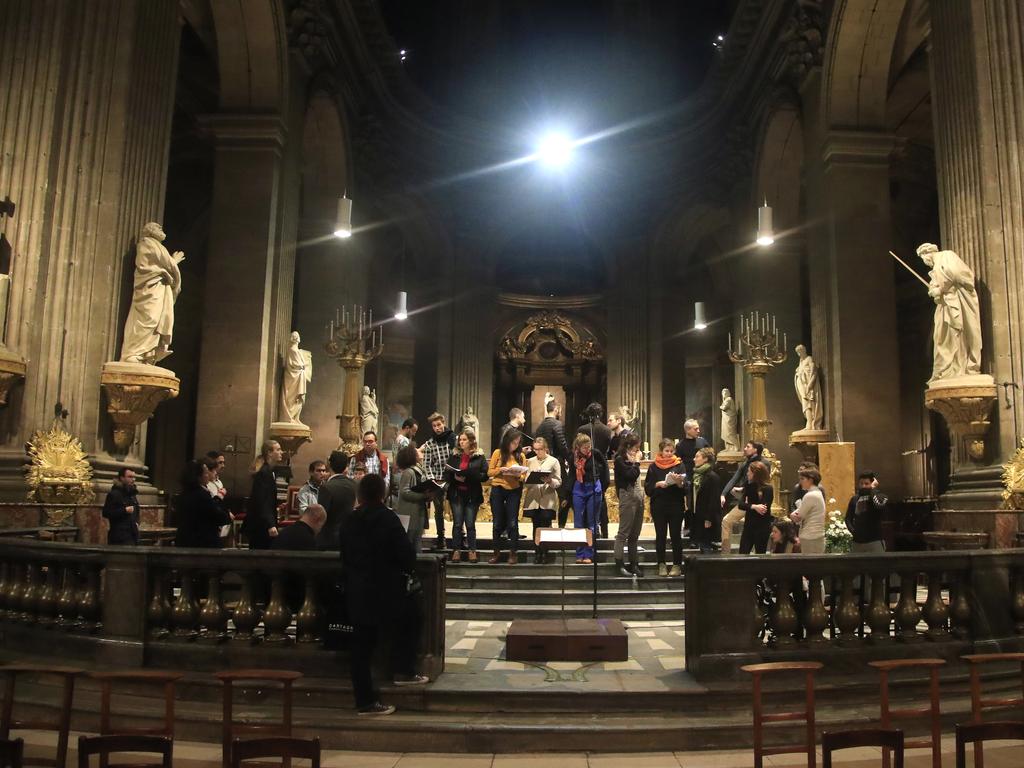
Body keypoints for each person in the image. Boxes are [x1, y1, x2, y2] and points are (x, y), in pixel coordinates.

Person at [340, 474, 428, 716]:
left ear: (360, 495)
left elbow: (344, 554)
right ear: (383, 494)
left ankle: (364, 698)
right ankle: (404, 670)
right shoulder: (387, 518)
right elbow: (407, 556)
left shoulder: (350, 519)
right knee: (411, 620)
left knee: (361, 648)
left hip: (357, 589)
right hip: (386, 589)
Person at [443, 428, 488, 563]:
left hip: (472, 495)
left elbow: (485, 475)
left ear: (471, 441)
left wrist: (469, 477)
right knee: (457, 523)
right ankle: (456, 550)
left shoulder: (479, 456)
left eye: (464, 440)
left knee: (470, 523)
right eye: (460, 440)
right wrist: (454, 477)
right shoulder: (455, 455)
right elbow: (447, 474)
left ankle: (472, 550)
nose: (461, 442)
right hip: (457, 493)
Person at [720, 441, 772, 553]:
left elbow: (762, 484)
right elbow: (735, 478)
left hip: (758, 513)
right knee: (726, 521)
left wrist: (745, 492)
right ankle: (725, 554)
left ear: (755, 449)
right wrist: (724, 494)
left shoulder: (764, 464)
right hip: (748, 502)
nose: (744, 448)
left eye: (748, 447)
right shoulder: (745, 463)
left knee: (759, 549)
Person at [645, 439, 686, 576]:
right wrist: (657, 484)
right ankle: (661, 564)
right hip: (659, 505)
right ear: (661, 451)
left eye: (671, 451)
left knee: (675, 536)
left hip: (676, 504)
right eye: (666, 451)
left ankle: (677, 565)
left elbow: (686, 488)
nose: (669, 454)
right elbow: (648, 489)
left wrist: (680, 483)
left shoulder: (679, 465)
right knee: (661, 536)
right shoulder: (653, 467)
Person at [566, 432, 609, 565]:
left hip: (593, 488)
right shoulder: (573, 456)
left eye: (589, 446)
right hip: (579, 488)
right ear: (578, 447)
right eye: (584, 447)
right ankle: (580, 554)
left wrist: (602, 487)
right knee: (579, 522)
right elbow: (572, 475)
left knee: (592, 523)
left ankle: (589, 554)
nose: (587, 449)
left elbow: (605, 470)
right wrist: (567, 493)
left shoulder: (596, 454)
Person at [487, 428, 527, 564]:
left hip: (513, 490)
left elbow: (524, 476)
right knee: (497, 522)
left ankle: (513, 553)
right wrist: (500, 470)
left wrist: (518, 475)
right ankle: (496, 553)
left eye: (517, 443)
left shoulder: (520, 456)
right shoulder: (498, 453)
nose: (515, 446)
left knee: (512, 522)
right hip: (498, 488)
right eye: (513, 443)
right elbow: (489, 472)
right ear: (507, 441)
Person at [522, 436, 562, 564]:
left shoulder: (553, 461)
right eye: (535, 449)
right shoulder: (530, 461)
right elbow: (526, 482)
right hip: (533, 499)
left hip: (547, 499)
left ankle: (545, 552)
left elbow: (559, 482)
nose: (537, 452)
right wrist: (528, 479)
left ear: (545, 449)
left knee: (545, 526)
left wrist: (550, 480)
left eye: (539, 449)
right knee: (536, 526)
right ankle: (537, 552)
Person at [175, 459, 233, 548]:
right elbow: (218, 516)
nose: (208, 476)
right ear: (198, 476)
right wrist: (226, 513)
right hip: (202, 543)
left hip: (185, 541)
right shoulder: (201, 494)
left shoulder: (184, 493)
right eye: (206, 473)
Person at [576, 403, 612, 538]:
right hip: (602, 466)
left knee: (591, 499)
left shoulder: (582, 428)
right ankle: (604, 530)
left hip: (588, 466)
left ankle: (589, 529)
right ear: (601, 413)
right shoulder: (607, 430)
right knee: (601, 499)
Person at [422, 412, 456, 551]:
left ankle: (460, 537)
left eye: (439, 425)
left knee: (456, 509)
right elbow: (427, 464)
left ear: (444, 423)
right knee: (438, 510)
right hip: (438, 479)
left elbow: (458, 457)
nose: (437, 428)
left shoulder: (453, 438)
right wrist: (432, 480)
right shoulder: (430, 443)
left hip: (453, 478)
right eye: (434, 426)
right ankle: (441, 537)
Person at [535, 400, 571, 527]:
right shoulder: (557, 424)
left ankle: (547, 527)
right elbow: (562, 445)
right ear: (556, 410)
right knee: (565, 496)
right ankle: (561, 527)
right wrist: (570, 459)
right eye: (559, 410)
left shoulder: (540, 426)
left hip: (542, 464)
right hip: (556, 463)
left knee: (545, 497)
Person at [613, 433, 644, 576]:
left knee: (634, 534)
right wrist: (636, 462)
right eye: (636, 448)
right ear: (628, 447)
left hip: (638, 497)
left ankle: (634, 563)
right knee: (623, 533)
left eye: (638, 449)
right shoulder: (620, 460)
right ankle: (619, 564)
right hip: (627, 497)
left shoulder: (632, 459)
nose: (638, 451)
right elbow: (630, 475)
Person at [242, 440, 282, 550]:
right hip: (261, 524)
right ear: (269, 452)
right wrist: (270, 524)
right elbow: (262, 501)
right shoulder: (264, 473)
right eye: (278, 450)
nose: (281, 452)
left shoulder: (269, 471)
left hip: (263, 522)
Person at [674, 418, 710, 536]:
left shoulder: (702, 442)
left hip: (703, 478)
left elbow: (710, 458)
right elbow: (677, 463)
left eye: (698, 428)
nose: (698, 430)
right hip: (688, 479)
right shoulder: (680, 445)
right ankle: (689, 529)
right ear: (688, 430)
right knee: (689, 505)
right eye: (696, 429)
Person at [316, 450, 355, 550]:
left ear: (329, 465)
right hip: (350, 537)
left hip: (330, 539)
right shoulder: (354, 484)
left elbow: (322, 514)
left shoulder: (327, 487)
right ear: (346, 466)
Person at [396, 444, 431, 553]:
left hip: (418, 510)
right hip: (409, 512)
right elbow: (405, 492)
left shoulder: (418, 470)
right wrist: (423, 496)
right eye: (417, 451)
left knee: (417, 540)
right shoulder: (408, 472)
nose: (421, 452)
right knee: (410, 541)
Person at [845, 471, 888, 553]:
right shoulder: (854, 499)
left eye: (866, 483)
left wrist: (873, 489)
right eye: (861, 483)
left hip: (874, 541)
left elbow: (879, 505)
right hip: (857, 542)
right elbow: (848, 518)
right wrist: (854, 532)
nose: (863, 486)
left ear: (872, 483)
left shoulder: (880, 496)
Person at [691, 446, 722, 554]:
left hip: (707, 518)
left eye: (697, 457)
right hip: (698, 515)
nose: (694, 459)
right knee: (702, 545)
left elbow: (713, 500)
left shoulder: (712, 477)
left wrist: (708, 518)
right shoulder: (696, 475)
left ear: (705, 459)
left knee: (706, 547)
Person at [737, 461, 774, 554]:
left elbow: (763, 509)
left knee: (760, 555)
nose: (747, 473)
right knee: (742, 553)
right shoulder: (748, 486)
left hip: (762, 527)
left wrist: (750, 506)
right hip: (749, 526)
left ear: (755, 473)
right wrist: (754, 506)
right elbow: (741, 505)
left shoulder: (768, 488)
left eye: (749, 471)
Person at [790, 468, 826, 553]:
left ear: (811, 480)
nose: (800, 482)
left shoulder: (810, 495)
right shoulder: (817, 493)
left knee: (810, 564)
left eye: (802, 479)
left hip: (811, 535)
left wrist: (792, 515)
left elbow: (798, 517)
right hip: (815, 535)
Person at [102, 467, 140, 545]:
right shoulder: (114, 494)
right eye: (130, 477)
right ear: (122, 478)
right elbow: (106, 513)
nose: (133, 479)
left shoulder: (132, 494)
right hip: (119, 537)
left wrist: (137, 522)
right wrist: (124, 510)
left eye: (134, 477)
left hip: (133, 535)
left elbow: (137, 510)